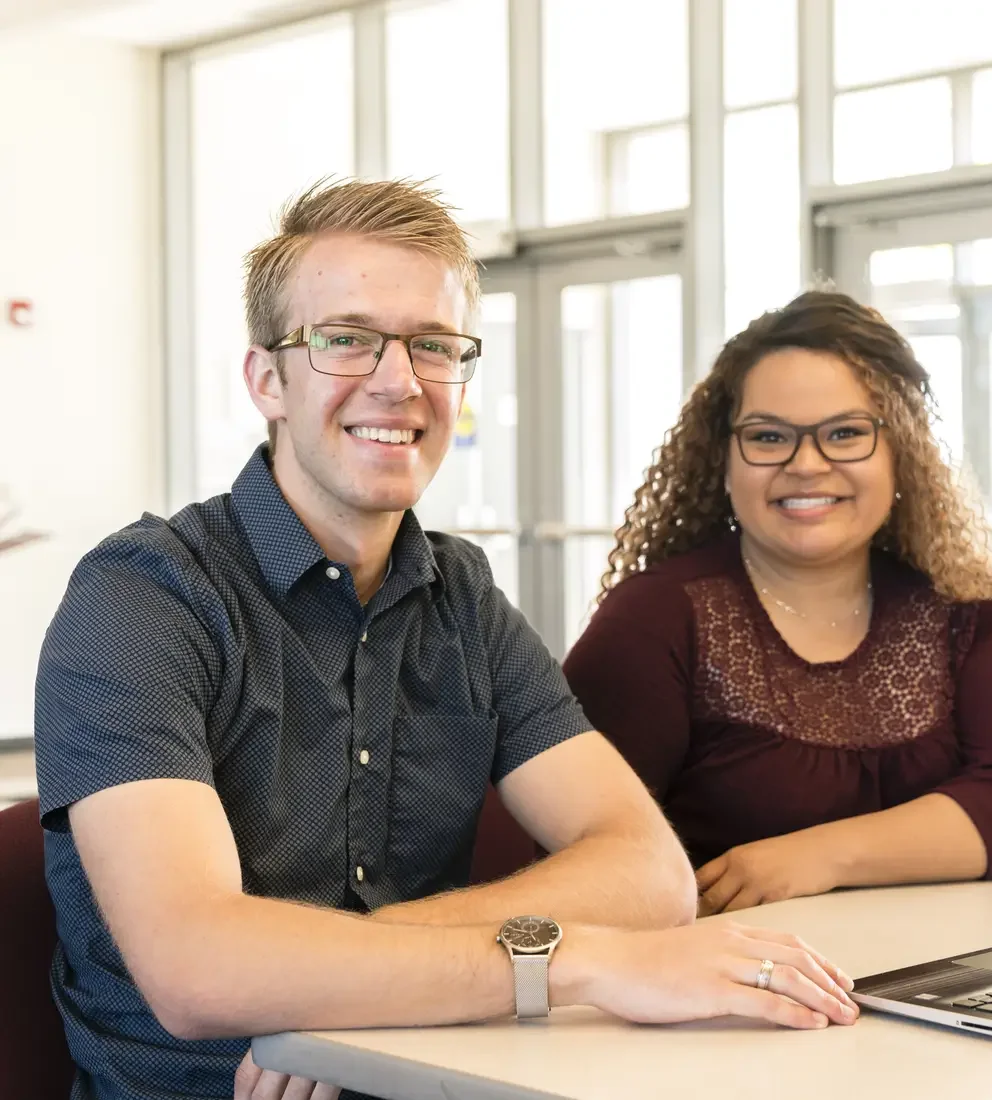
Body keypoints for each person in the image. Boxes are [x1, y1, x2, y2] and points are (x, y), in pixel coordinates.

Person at [34, 184, 858, 1100]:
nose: (399, 380)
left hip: (431, 1074)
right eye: (346, 339)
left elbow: (649, 871)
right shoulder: (143, 597)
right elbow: (197, 970)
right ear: (267, 378)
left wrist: (323, 988)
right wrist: (564, 959)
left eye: (435, 345)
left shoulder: (459, 595)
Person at [564, 290, 992, 919]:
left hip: (942, 975)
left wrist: (814, 857)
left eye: (845, 434)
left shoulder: (968, 613)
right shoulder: (654, 620)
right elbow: (577, 844)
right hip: (728, 985)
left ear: (899, 452)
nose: (806, 464)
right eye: (769, 437)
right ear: (724, 459)